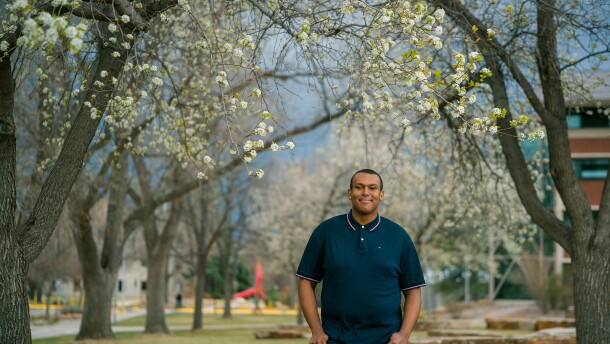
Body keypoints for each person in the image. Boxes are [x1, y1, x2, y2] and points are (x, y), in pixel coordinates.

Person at [296, 169, 426, 344]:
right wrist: (316, 330)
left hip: (386, 339)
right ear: (350, 193)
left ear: (381, 194)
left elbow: (413, 290)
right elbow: (305, 281)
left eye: (372, 188)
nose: (366, 192)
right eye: (359, 187)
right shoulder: (326, 232)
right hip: (334, 338)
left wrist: (404, 335)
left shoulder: (399, 236)